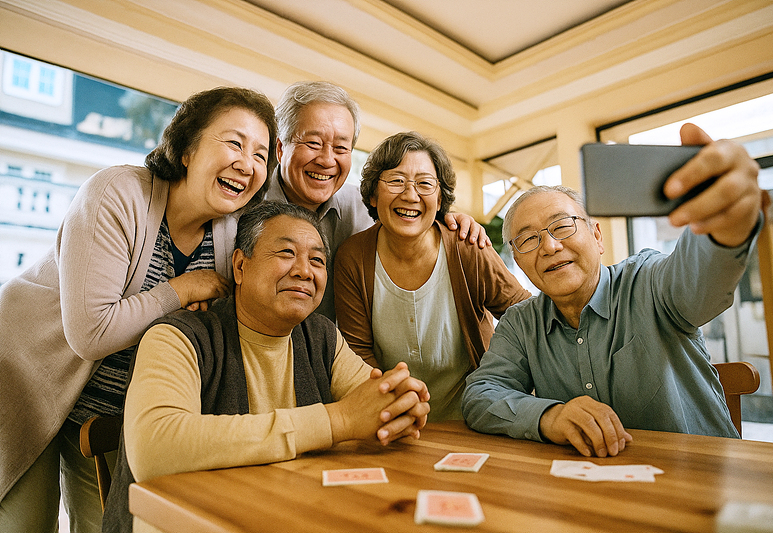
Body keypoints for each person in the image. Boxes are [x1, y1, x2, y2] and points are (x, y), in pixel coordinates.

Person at [0, 87, 278, 533]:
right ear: (187, 149)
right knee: (26, 525)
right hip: (29, 375)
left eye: (262, 154)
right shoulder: (117, 193)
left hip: (106, 413)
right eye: (234, 143)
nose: (248, 163)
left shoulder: (230, 232)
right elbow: (91, 333)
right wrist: (182, 289)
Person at [102, 201, 430, 533]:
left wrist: (401, 404)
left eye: (317, 260)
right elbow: (155, 450)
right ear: (241, 266)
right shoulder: (177, 337)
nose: (304, 270)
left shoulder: (321, 337)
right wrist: (337, 420)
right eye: (287, 254)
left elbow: (373, 405)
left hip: (277, 514)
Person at [462, 123, 764, 458]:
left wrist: (724, 228)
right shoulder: (521, 323)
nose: (548, 246)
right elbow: (480, 394)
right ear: (518, 257)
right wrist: (550, 416)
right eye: (529, 239)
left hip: (701, 480)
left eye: (562, 226)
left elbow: (700, 281)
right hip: (593, 492)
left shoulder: (647, 281)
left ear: (597, 236)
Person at [334, 132, 530, 421]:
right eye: (396, 180)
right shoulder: (352, 257)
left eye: (425, 183)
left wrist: (501, 378)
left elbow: (525, 317)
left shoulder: (467, 246)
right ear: (374, 195)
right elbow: (359, 355)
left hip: (478, 420)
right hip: (395, 421)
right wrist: (398, 410)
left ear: (440, 199)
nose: (410, 195)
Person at [264, 81, 490, 320]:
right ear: (280, 148)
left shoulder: (365, 207)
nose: (327, 160)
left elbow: (412, 218)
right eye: (313, 143)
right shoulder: (244, 204)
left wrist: (447, 221)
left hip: (339, 352)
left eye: (341, 148)